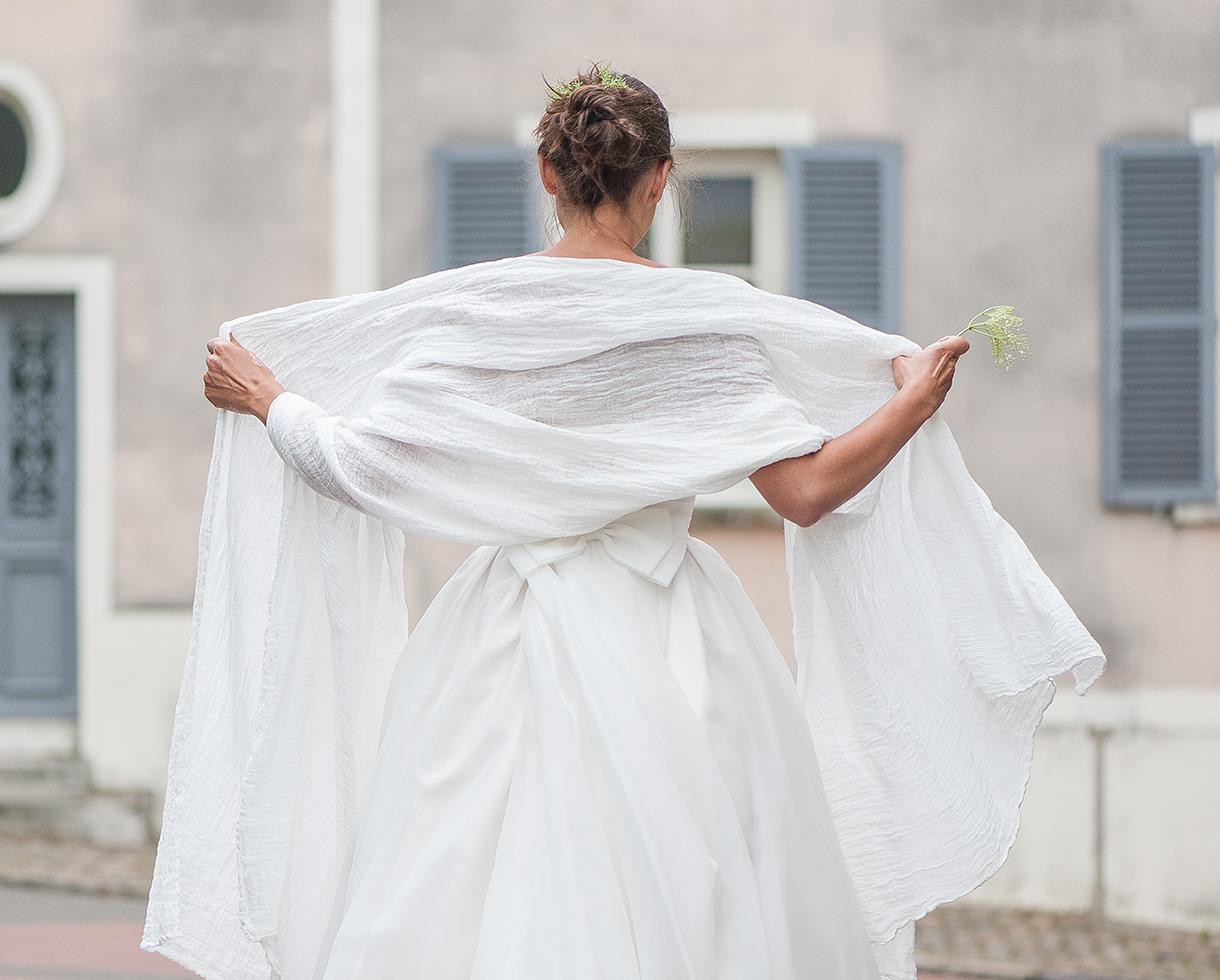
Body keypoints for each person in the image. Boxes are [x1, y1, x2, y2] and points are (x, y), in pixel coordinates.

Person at [145, 63, 1104, 980]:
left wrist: (273, 402)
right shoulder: (697, 321)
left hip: (496, 647)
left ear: (548, 177)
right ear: (660, 180)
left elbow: (361, 466)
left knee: (460, 884)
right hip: (676, 645)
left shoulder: (486, 314)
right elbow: (806, 495)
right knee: (710, 895)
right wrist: (911, 403)